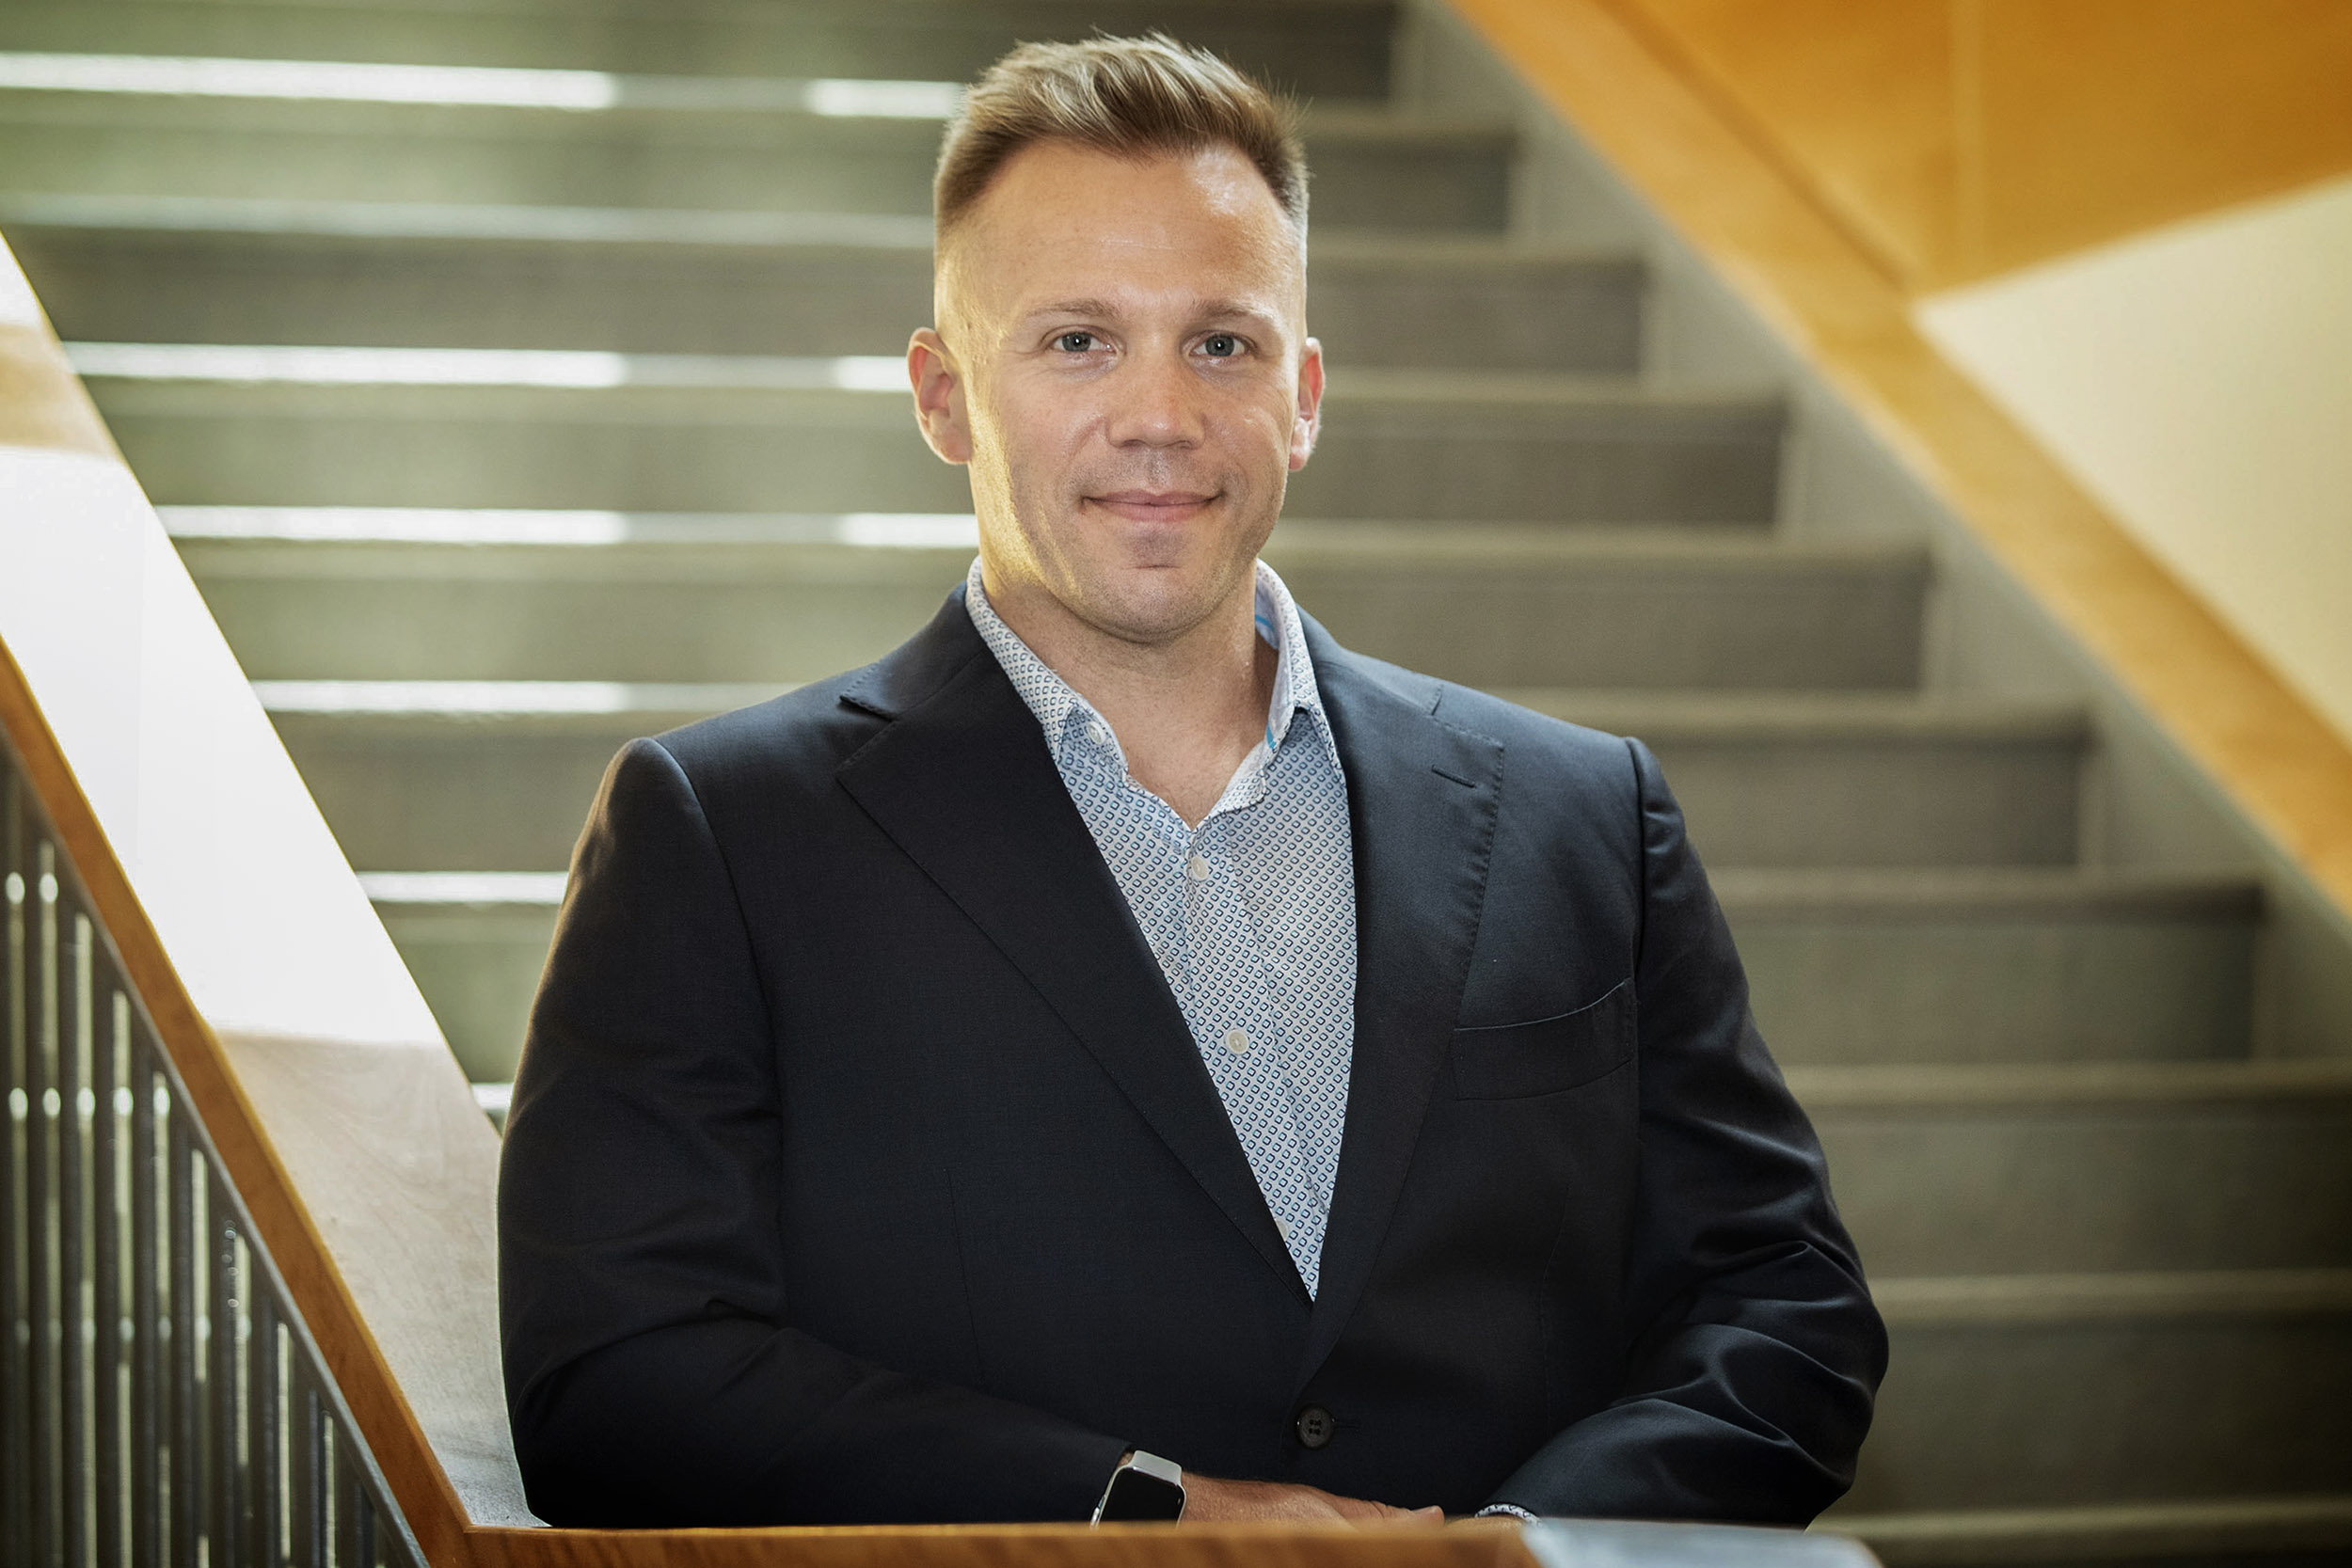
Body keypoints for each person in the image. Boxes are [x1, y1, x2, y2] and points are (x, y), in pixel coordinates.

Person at [498, 34, 1885, 1528]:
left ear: (1303, 393)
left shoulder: (1584, 814)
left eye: (1220, 342)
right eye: (1077, 340)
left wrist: (1502, 1562)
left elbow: (1785, 1304)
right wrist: (1159, 1522)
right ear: (945, 395)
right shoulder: (722, 838)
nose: (1159, 414)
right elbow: (621, 1376)